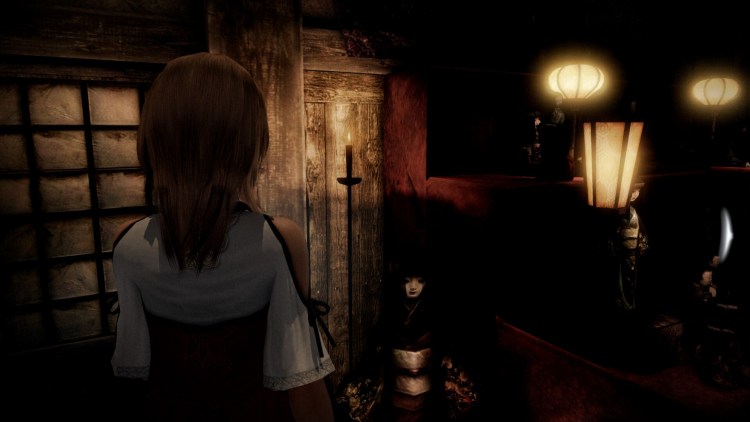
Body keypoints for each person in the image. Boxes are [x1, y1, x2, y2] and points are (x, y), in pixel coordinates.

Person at [110, 52, 335, 421]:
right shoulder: (277, 240)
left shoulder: (127, 242)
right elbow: (302, 378)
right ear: (245, 142)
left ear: (155, 138)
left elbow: (136, 371)